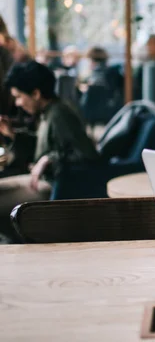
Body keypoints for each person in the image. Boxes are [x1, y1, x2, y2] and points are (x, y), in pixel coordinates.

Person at [0, 61, 100, 240]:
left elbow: (88, 156)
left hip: (54, 185)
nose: (17, 103)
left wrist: (49, 158)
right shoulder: (49, 111)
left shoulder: (59, 114)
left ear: (36, 93)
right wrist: (12, 134)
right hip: (44, 179)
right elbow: (45, 144)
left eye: (19, 96)